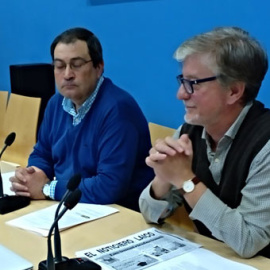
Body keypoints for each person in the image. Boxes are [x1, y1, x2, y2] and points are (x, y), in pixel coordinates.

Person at [139, 26, 270, 258]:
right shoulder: (189, 132)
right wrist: (163, 177)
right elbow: (150, 214)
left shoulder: (265, 144)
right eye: (182, 80)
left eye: (194, 83)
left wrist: (185, 179)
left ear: (234, 91)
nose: (181, 94)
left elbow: (250, 240)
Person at [10, 27, 154, 211]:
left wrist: (47, 188)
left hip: (117, 213)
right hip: (70, 206)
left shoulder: (118, 109)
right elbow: (42, 153)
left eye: (76, 64)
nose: (67, 74)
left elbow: (109, 186)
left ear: (98, 67)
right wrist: (32, 176)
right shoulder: (56, 103)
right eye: (60, 66)